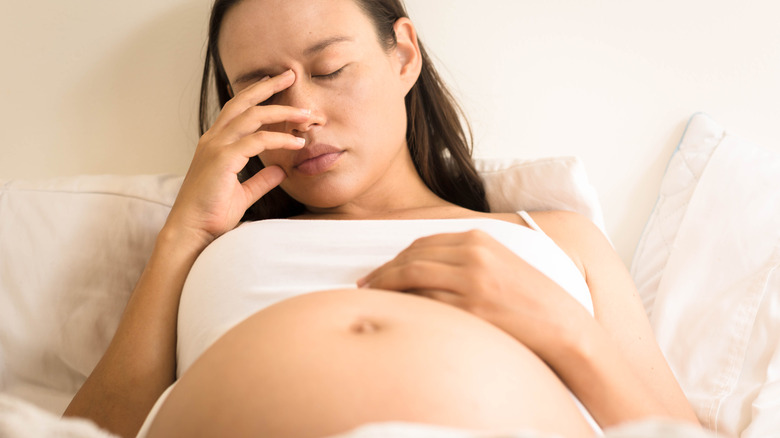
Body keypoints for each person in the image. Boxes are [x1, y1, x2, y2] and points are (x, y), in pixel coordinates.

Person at [63, 0, 702, 437]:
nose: (302, 112)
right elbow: (92, 432)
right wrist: (184, 234)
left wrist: (561, 326)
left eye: (330, 69)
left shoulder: (556, 238)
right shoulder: (207, 244)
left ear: (402, 55)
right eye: (262, 87)